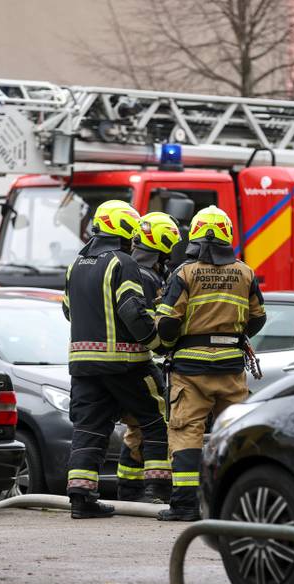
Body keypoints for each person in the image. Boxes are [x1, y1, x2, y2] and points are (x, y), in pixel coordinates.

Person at [154, 206, 266, 521]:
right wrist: (234, 334)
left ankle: (185, 506)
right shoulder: (245, 272)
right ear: (227, 236)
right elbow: (258, 317)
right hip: (231, 368)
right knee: (236, 435)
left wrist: (169, 342)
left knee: (186, 432)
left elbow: (167, 323)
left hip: (190, 371)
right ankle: (240, 504)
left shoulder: (185, 272)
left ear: (195, 235)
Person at [61, 200, 170, 519]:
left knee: (89, 429)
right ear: (123, 229)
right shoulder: (123, 263)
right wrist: (158, 342)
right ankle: (159, 492)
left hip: (83, 366)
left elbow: (67, 310)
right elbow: (132, 310)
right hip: (126, 364)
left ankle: (81, 499)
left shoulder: (75, 264)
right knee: (156, 419)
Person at [117, 212, 182, 503]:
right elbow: (148, 320)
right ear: (163, 244)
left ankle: (129, 490)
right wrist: (164, 344)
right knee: (157, 422)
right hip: (142, 361)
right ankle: (156, 490)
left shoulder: (137, 270)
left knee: (136, 428)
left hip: (127, 362)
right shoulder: (145, 276)